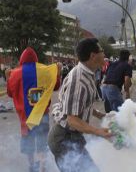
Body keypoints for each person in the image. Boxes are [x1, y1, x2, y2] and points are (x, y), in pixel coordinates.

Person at [48, 38, 111, 172]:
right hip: (64, 138)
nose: (104, 54)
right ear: (93, 56)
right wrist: (98, 132)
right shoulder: (78, 81)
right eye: (101, 51)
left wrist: (101, 115)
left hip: (72, 137)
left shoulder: (87, 73)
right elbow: (72, 120)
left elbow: (82, 104)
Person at [5, 47, 61, 172]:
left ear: (21, 60)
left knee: (28, 142)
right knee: (42, 142)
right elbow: (56, 86)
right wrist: (58, 72)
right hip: (42, 114)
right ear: (36, 59)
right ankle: (42, 167)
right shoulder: (45, 71)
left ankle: (31, 165)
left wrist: (7, 77)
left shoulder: (14, 74)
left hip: (26, 117)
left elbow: (9, 93)